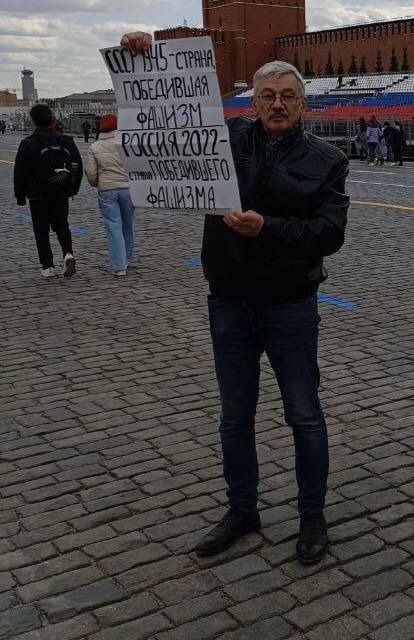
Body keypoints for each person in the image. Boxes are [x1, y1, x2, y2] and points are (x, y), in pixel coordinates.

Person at [121, 32, 349, 565]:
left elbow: (329, 233)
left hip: (290, 305)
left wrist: (265, 227)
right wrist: (144, 56)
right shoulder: (220, 141)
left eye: (287, 96)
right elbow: (165, 118)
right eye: (267, 95)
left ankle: (311, 516)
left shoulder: (326, 160)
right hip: (228, 302)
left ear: (302, 105)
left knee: (304, 415)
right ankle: (241, 511)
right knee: (234, 418)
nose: (276, 105)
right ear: (252, 103)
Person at [13, 104, 83, 278]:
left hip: (38, 195)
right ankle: (68, 254)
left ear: (34, 121)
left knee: (41, 230)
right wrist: (72, 188)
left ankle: (48, 266)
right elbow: (77, 166)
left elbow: (20, 172)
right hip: (61, 192)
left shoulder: (28, 143)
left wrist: (20, 195)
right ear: (53, 118)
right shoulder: (66, 140)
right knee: (62, 226)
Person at [84, 113, 135, 275]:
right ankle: (127, 258)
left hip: (107, 190)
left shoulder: (95, 147)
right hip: (128, 189)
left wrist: (96, 184)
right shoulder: (127, 143)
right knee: (128, 225)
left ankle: (119, 266)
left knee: (113, 227)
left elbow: (91, 173)